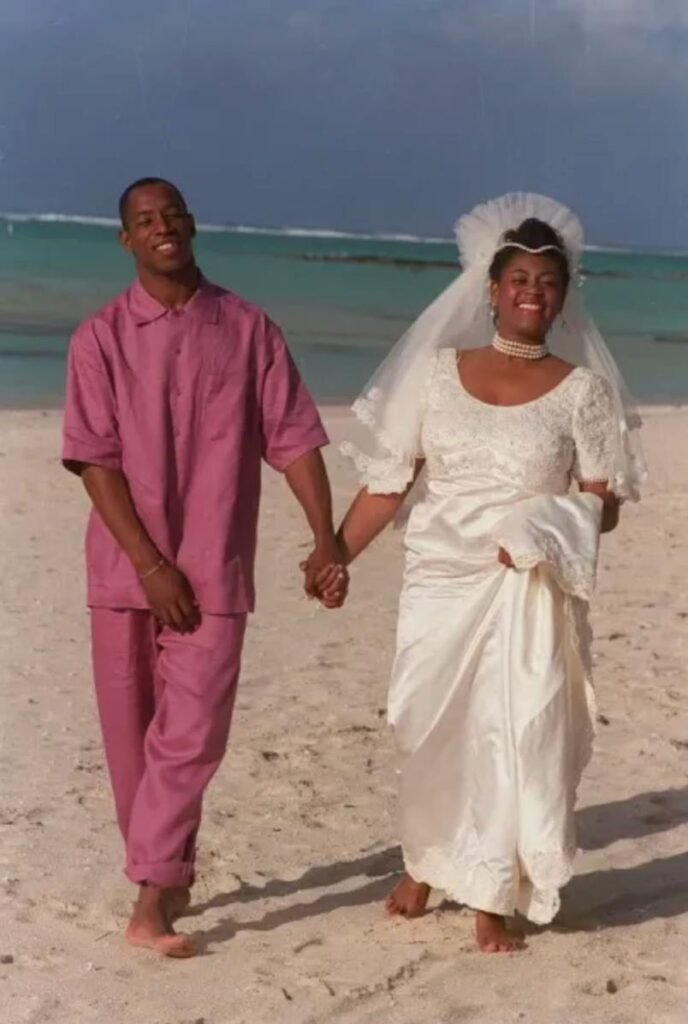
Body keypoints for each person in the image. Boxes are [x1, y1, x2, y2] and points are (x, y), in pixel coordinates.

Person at [305, 193, 645, 952]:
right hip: (440, 577)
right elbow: (389, 483)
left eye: (548, 282)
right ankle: (425, 861)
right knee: (426, 725)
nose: (533, 291)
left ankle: (490, 891)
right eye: (519, 278)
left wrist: (545, 525)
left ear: (564, 298)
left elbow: (603, 503)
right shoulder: (435, 374)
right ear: (491, 289)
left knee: (510, 730)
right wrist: (334, 555)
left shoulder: (583, 391)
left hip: (526, 582)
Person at [62, 177, 347, 957]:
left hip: (217, 570)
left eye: (172, 214)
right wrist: (151, 566)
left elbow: (294, 439)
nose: (162, 227)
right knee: (132, 746)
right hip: (124, 572)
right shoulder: (98, 339)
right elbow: (95, 463)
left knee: (191, 739)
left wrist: (325, 540)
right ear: (125, 239)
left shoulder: (249, 329)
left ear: (191, 224)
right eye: (144, 220)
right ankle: (165, 868)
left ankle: (151, 903)